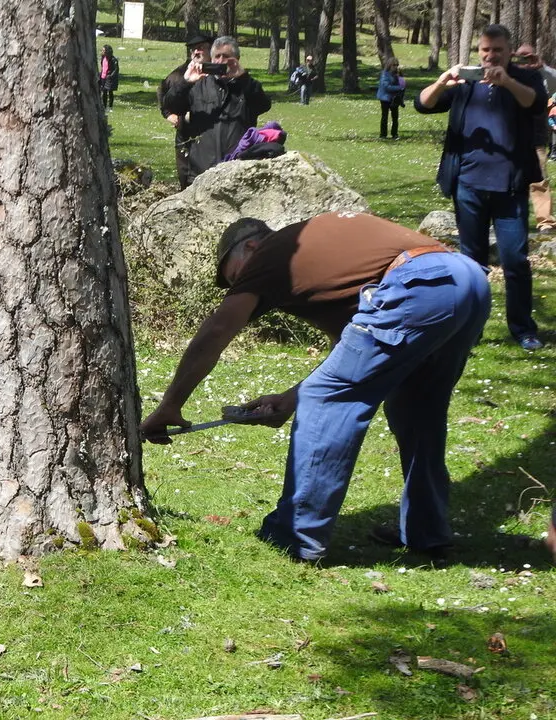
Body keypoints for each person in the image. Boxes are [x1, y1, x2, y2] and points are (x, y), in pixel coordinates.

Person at [140, 213, 490, 563]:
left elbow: (217, 331)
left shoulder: (275, 251)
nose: (238, 286)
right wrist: (291, 399)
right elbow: (350, 354)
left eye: (235, 276)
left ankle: (295, 535)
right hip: (466, 280)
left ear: (249, 247)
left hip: (418, 284)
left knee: (326, 400)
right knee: (416, 410)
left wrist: (170, 405)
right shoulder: (328, 266)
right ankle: (426, 532)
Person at [415, 24, 546, 351]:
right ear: (479, 51)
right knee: (471, 263)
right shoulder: (466, 82)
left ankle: (523, 329)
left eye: (497, 50)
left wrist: (507, 82)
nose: (490, 56)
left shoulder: (523, 78)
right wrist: (443, 81)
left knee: (515, 260)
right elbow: (423, 103)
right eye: (485, 50)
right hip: (468, 185)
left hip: (509, 186)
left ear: (509, 50)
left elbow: (536, 103)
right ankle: (469, 330)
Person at [162, 35, 272, 186]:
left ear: (236, 59)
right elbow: (170, 106)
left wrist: (243, 77)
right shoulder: (198, 86)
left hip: (236, 170)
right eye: (217, 57)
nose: (220, 61)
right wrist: (185, 82)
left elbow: (264, 104)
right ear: (211, 60)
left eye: (226, 57)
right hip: (201, 172)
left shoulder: (246, 87)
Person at [158, 33, 214, 190]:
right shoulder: (180, 74)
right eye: (193, 49)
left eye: (201, 48)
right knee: (187, 182)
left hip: (213, 137)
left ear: (211, 50)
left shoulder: (219, 73)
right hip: (187, 136)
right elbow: (163, 95)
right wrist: (168, 114)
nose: (196, 52)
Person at [513, 44, 556, 235]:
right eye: (520, 57)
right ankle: (504, 217)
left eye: (527, 58)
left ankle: (545, 221)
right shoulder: (507, 73)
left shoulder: (541, 76)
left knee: (539, 179)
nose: (524, 61)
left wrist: (542, 66)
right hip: (507, 135)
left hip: (535, 136)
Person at [377, 57, 403, 139]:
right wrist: (399, 88)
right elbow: (387, 87)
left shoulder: (397, 75)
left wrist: (401, 78)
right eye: (394, 65)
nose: (395, 67)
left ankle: (394, 134)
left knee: (395, 117)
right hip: (385, 98)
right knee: (385, 116)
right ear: (389, 65)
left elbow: (403, 84)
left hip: (394, 98)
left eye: (397, 65)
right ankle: (383, 134)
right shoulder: (385, 74)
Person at [99, 45, 120, 111]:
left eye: (104, 50)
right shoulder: (103, 58)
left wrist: (111, 76)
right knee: (104, 92)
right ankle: (104, 107)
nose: (102, 52)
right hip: (103, 77)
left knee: (110, 92)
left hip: (109, 78)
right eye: (102, 50)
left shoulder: (113, 59)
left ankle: (110, 107)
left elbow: (116, 69)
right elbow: (102, 67)